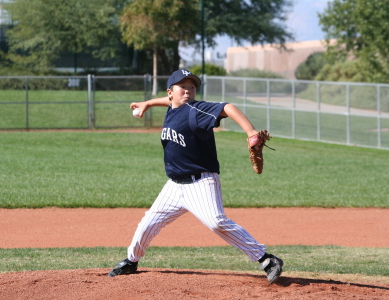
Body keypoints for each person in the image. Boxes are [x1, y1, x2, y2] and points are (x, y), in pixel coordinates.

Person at [107, 69, 283, 284]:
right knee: (148, 223)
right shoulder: (173, 107)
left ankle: (266, 259)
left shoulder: (197, 109)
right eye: (183, 87)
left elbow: (228, 108)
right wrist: (148, 103)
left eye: (192, 87)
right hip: (174, 186)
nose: (189, 90)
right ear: (171, 92)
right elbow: (169, 102)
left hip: (201, 182)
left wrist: (251, 133)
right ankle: (131, 261)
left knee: (216, 222)